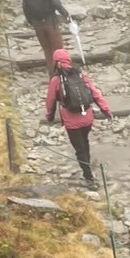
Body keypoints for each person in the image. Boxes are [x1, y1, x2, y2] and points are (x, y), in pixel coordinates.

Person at [43, 50, 111, 189]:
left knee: (79, 148)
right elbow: (95, 94)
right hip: (88, 117)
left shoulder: (56, 80)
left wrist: (50, 116)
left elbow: (50, 101)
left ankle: (88, 178)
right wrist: (106, 111)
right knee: (84, 143)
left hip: (71, 120)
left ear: (55, 62)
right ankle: (88, 167)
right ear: (69, 60)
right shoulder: (80, 75)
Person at [22, 0, 70, 65]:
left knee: (47, 49)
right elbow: (56, 3)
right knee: (58, 49)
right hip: (50, 21)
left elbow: (25, 8)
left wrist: (32, 22)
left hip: (37, 23)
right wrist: (66, 14)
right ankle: (62, 73)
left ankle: (52, 75)